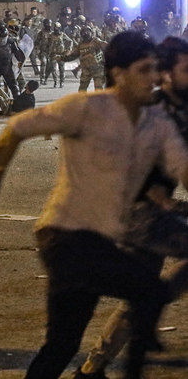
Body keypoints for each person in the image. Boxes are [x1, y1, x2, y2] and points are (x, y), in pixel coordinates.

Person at [0, 31, 188, 379]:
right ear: (119, 74)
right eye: (145, 70)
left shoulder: (157, 123)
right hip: (64, 237)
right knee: (150, 293)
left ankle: (90, 369)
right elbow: (16, 127)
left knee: (62, 345)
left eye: (156, 69)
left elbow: (183, 166)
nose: (154, 78)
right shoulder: (85, 108)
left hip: (98, 241)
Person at [73, 36, 188, 378]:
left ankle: (93, 368)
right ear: (165, 74)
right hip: (137, 212)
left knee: (138, 294)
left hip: (151, 211)